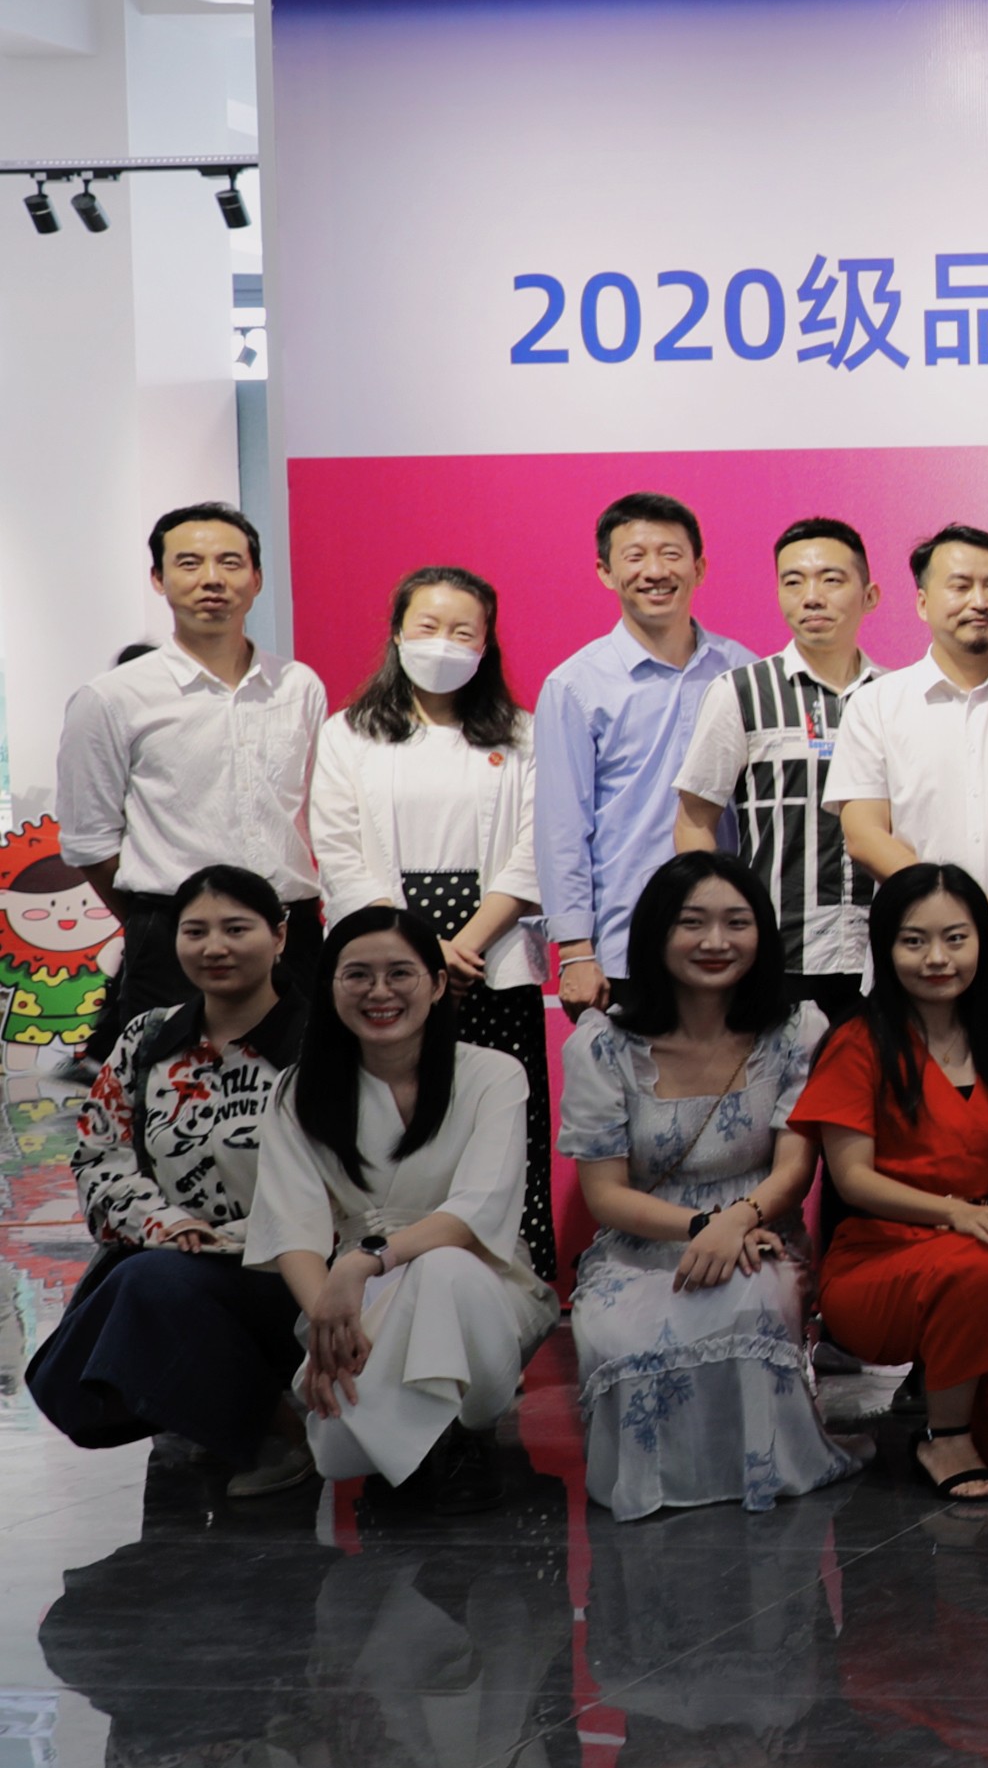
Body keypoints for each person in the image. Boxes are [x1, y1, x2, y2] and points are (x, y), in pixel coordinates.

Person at [562, 851, 861, 1520]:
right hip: (641, 1243)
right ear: (655, 932)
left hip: (761, 1230)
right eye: (692, 922)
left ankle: (764, 1470)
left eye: (737, 922)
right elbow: (605, 1195)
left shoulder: (796, 1030)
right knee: (625, 1338)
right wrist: (703, 1227)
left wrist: (736, 1221)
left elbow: (794, 1169)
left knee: (750, 1300)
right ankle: (656, 1483)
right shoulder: (601, 1046)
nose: (716, 941)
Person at [795, 863, 988, 1500]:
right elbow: (852, 1181)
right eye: (914, 941)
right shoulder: (857, 1043)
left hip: (984, 1260)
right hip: (877, 1264)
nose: (937, 958)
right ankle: (947, 1436)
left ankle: (947, 1398)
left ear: (982, 944)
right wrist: (957, 1213)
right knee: (982, 1262)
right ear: (886, 949)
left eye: (955, 939)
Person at [247, 906, 559, 1513]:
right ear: (330, 985)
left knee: (442, 1268)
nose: (379, 992)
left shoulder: (494, 1075)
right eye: (357, 975)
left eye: (399, 974)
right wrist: (327, 1324)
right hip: (355, 1300)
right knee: (346, 1415)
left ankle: (460, 1436)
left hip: (483, 1280)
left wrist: (366, 1261)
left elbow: (476, 1211)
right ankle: (408, 1445)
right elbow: (291, 1226)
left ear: (438, 984)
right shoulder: (295, 1090)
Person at [831, 523, 988, 1254]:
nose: (980, 600)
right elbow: (864, 831)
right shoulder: (879, 704)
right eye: (961, 584)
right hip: (915, 973)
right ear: (920, 601)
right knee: (903, 1154)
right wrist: (962, 920)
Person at [21, 866, 313, 1495]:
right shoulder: (147, 1037)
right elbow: (99, 1156)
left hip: (291, 1267)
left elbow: (346, 1176)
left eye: (236, 929)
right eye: (195, 931)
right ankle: (225, 1410)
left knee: (150, 1285)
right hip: (171, 1253)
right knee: (92, 1348)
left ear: (280, 936)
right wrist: (167, 1222)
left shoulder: (320, 1045)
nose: (215, 947)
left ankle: (277, 1431)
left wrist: (229, 1239)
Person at [312, 565, 555, 1277]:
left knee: (498, 1128)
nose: (444, 642)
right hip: (383, 960)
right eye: (428, 626)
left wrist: (462, 946)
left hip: (488, 959)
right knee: (389, 1123)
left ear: (486, 643)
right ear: (397, 633)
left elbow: (535, 849)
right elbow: (339, 852)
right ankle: (380, 1270)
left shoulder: (522, 734)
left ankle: (510, 1280)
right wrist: (416, 953)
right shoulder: (348, 734)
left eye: (463, 630)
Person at [56, 501, 329, 1051]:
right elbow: (89, 841)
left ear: (256, 579)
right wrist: (170, 921)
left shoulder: (300, 685)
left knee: (304, 1089)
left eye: (230, 562)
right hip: (173, 938)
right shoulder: (111, 698)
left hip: (292, 932)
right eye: (189, 563)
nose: (212, 579)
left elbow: (319, 812)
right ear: (158, 579)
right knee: (171, 1089)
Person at [537, 490, 758, 1007]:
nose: (655, 571)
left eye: (671, 554)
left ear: (699, 568)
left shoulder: (744, 672)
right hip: (624, 942)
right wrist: (575, 950)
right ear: (605, 572)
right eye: (635, 557)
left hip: (733, 941)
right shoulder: (575, 686)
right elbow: (562, 828)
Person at [672, 515, 887, 1024]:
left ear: (870, 595)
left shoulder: (896, 698)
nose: (811, 597)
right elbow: (695, 820)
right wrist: (722, 926)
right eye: (793, 582)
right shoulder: (739, 692)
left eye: (831, 579)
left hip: (881, 954)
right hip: (776, 952)